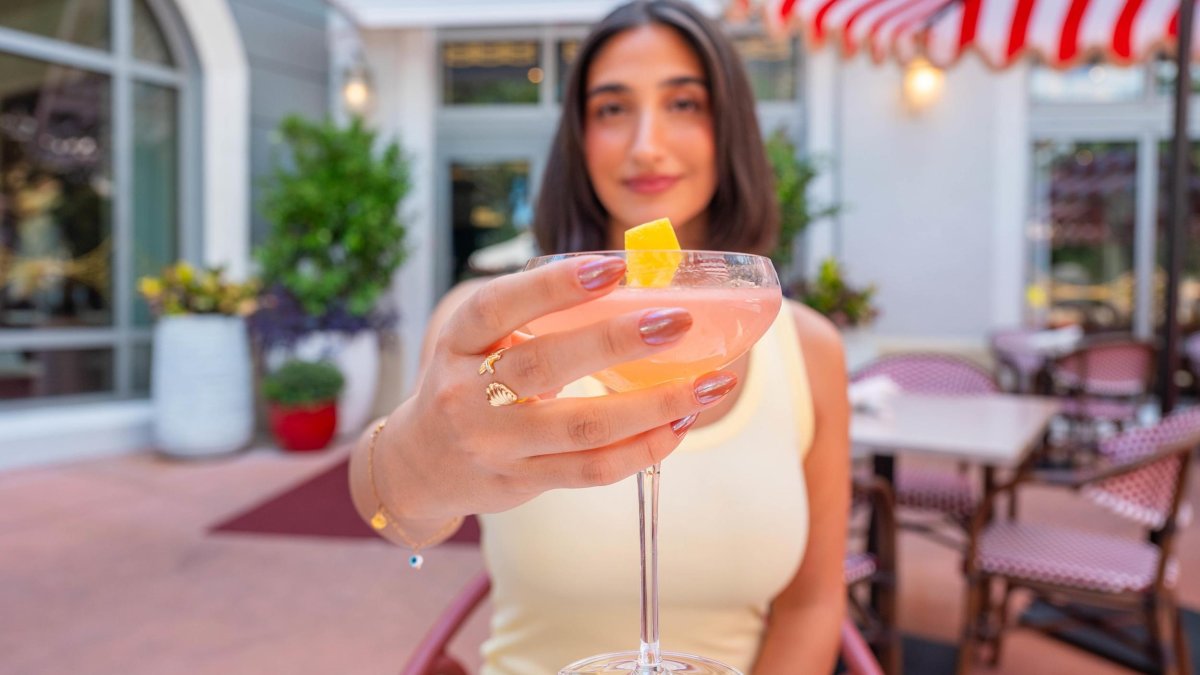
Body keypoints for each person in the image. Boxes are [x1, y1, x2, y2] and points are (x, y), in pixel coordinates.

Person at [347, 2, 850, 673]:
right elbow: (404, 532)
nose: (646, 143)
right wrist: (411, 475)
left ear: (728, 129)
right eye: (612, 109)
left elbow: (813, 605)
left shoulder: (807, 347)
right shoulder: (489, 323)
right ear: (579, 137)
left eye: (684, 104)